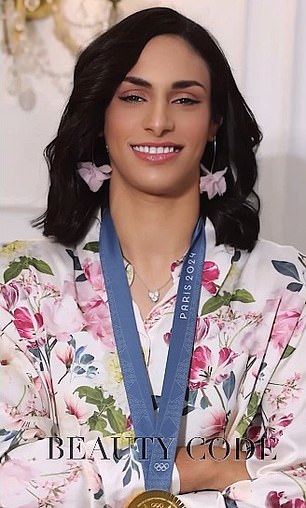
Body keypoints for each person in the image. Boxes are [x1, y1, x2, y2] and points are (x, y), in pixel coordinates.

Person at [0, 6, 306, 507]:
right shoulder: (21, 283)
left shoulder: (284, 284)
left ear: (214, 123)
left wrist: (86, 480)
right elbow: (10, 481)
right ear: (102, 115)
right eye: (134, 96)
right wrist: (187, 471)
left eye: (185, 99)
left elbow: (296, 481)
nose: (159, 121)